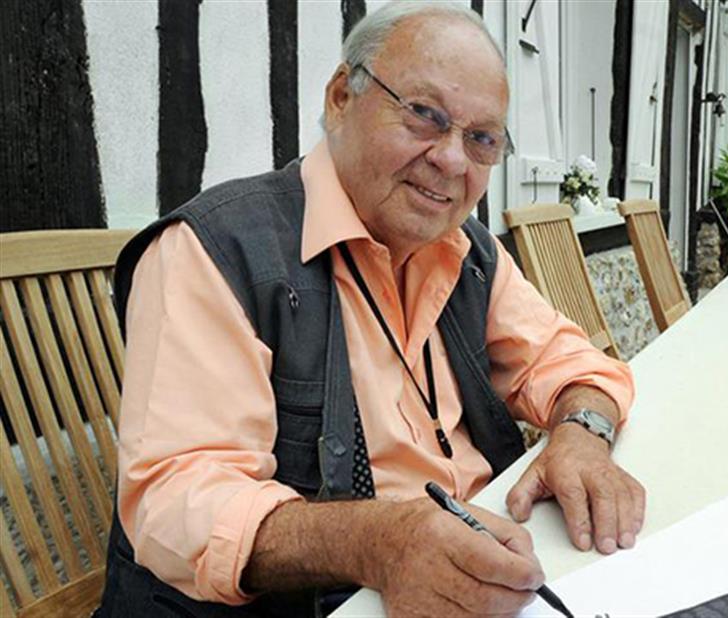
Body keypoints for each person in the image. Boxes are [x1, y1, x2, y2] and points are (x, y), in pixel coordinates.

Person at [96, 2, 644, 617]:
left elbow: (569, 363)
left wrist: (582, 434)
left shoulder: (467, 251)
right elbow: (174, 498)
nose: (452, 160)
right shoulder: (216, 250)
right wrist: (378, 542)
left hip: (491, 574)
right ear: (341, 98)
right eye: (424, 115)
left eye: (481, 139)